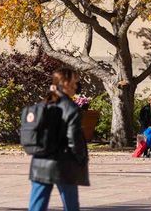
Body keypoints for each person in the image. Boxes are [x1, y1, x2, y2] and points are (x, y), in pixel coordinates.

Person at [29, 67, 89, 211]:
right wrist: (81, 158)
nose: (76, 87)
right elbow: (74, 139)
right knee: (71, 205)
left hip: (40, 161)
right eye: (74, 83)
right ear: (65, 84)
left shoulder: (42, 104)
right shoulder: (70, 108)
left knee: (37, 206)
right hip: (64, 164)